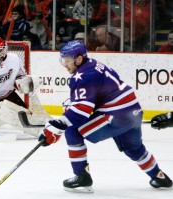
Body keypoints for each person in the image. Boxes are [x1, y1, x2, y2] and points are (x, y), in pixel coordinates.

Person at [38, 40, 172, 192]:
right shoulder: (95, 64)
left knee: (72, 129)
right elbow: (93, 101)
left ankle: (81, 175)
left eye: (67, 60)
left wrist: (55, 127)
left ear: (79, 59)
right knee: (133, 148)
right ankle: (159, 176)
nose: (64, 64)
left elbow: (80, 112)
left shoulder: (81, 77)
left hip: (116, 116)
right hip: (134, 113)